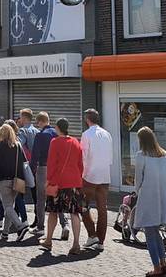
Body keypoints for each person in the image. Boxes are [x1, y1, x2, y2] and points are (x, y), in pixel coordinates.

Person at [132, 126, 166, 277]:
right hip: (163, 198)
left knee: (150, 233)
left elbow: (138, 180)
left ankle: (156, 267)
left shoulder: (141, 156)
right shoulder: (165, 155)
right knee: (156, 232)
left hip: (148, 197)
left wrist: (136, 193)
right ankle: (163, 263)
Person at [41, 118, 84, 255]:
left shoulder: (55, 142)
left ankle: (48, 240)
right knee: (74, 213)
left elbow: (52, 163)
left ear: (58, 128)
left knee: (53, 211)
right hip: (74, 182)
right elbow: (80, 164)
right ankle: (76, 244)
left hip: (59, 182)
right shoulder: (76, 142)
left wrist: (48, 181)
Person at [0, 122, 29, 241]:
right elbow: (24, 163)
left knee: (7, 206)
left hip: (3, 180)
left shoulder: (0, 146)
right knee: (9, 206)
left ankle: (20, 226)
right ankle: (5, 233)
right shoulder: (18, 145)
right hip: (16, 180)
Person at [79, 108, 112, 251]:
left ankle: (92, 235)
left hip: (90, 176)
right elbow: (110, 155)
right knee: (102, 209)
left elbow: (83, 157)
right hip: (105, 175)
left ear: (87, 119)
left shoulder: (86, 135)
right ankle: (101, 241)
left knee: (83, 205)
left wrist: (82, 175)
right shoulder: (107, 134)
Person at [30, 112, 68, 237]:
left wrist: (31, 170)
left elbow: (35, 155)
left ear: (40, 122)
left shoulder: (40, 135)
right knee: (57, 196)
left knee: (41, 198)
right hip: (58, 169)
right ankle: (65, 224)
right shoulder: (57, 133)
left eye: (38, 122)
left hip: (43, 168)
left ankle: (40, 227)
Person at [17, 108, 40, 210]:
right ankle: (37, 217)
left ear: (25, 118)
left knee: (19, 191)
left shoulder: (22, 131)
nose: (20, 119)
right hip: (35, 165)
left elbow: (18, 145)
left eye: (21, 117)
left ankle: (20, 217)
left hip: (24, 165)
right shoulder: (37, 131)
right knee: (35, 191)